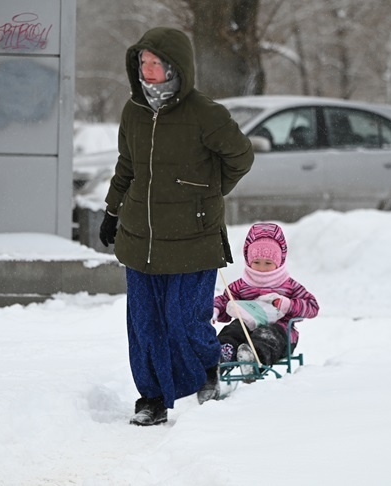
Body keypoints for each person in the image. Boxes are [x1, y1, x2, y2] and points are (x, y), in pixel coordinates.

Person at [98, 27, 254, 426]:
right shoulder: (133, 111)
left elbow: (240, 157)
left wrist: (208, 193)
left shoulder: (206, 113)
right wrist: (112, 211)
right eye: (142, 62)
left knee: (184, 320)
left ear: (175, 66)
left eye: (155, 63)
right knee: (145, 324)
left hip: (193, 238)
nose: (147, 70)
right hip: (141, 239)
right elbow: (127, 167)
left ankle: (205, 375)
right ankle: (151, 397)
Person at [213, 223, 319, 377]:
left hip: (280, 334)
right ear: (249, 261)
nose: (261, 268)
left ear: (278, 262)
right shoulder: (242, 285)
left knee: (267, 334)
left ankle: (254, 359)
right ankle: (223, 354)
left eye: (268, 263)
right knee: (235, 328)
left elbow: (312, 306)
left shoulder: (288, 285)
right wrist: (215, 310)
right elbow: (225, 301)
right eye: (256, 262)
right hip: (247, 328)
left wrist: (288, 305)